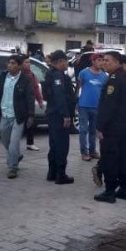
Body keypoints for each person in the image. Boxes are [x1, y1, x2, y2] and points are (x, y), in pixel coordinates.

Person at [94, 51, 126, 203]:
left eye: (108, 61)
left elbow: (108, 106)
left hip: (112, 127)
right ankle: (124, 189)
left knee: (110, 158)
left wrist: (100, 126)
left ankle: (110, 191)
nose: (105, 63)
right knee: (123, 159)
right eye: (103, 60)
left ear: (117, 62)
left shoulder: (113, 79)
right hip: (124, 126)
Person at [0, 54, 35, 179]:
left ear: (19, 66)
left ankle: (12, 167)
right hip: (4, 114)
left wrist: (31, 115)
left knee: (14, 142)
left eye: (13, 63)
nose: (10, 65)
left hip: (18, 117)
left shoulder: (25, 80)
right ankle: (16, 156)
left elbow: (30, 98)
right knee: (4, 139)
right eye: (9, 63)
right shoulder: (3, 76)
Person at [43, 50, 75, 184]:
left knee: (54, 144)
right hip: (58, 115)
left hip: (52, 113)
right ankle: (60, 175)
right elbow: (60, 96)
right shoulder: (58, 76)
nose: (67, 63)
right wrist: (66, 115)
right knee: (61, 145)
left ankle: (52, 172)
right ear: (60, 62)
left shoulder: (50, 74)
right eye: (66, 61)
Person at [76, 53, 107, 161]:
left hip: (97, 107)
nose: (101, 62)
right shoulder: (84, 73)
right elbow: (78, 88)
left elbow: (104, 93)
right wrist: (76, 102)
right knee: (83, 130)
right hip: (84, 105)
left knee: (94, 130)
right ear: (93, 61)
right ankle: (84, 152)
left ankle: (92, 151)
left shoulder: (104, 76)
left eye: (102, 60)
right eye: (99, 60)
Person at [22, 56, 44, 151]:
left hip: (29, 103)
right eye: (26, 62)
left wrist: (40, 101)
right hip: (19, 103)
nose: (28, 64)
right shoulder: (18, 74)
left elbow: (36, 88)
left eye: (29, 62)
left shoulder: (31, 75)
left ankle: (30, 143)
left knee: (30, 122)